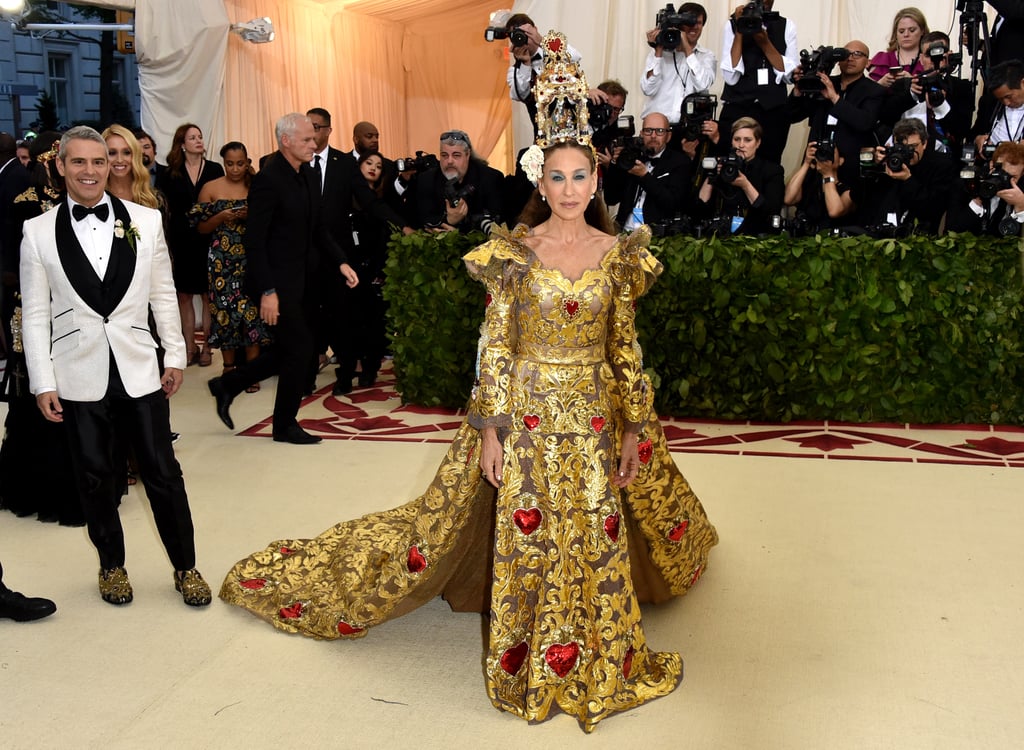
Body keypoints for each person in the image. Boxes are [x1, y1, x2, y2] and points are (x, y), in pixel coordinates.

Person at [219, 31, 717, 734]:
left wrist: (638, 426)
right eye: (558, 179)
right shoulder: (511, 255)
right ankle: (528, 650)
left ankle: (601, 645)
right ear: (540, 183)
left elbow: (625, 348)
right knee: (532, 532)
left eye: (581, 178)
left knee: (596, 531)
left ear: (595, 181)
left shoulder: (621, 256)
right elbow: (497, 350)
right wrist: (489, 430)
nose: (570, 191)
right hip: (529, 417)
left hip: (598, 420)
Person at [19, 126, 212, 607]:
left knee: (163, 473)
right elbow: (37, 313)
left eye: (99, 161)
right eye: (79, 162)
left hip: (139, 367)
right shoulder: (37, 231)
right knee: (94, 476)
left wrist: (174, 354)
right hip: (76, 371)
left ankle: (186, 567)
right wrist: (42, 381)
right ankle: (112, 566)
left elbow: (163, 293)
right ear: (60, 166)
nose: (90, 171)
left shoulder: (145, 221)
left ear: (112, 165)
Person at [207, 113, 359, 445]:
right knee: (301, 349)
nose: (314, 142)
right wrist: (268, 291)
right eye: (306, 138)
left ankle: (228, 385)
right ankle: (284, 424)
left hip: (304, 279)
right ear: (286, 141)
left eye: (314, 137)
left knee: (291, 349)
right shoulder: (268, 179)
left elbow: (318, 227)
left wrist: (341, 263)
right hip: (276, 283)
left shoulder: (304, 173)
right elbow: (254, 241)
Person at [0, 132, 85, 527]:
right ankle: (37, 487)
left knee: (75, 390)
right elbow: (11, 264)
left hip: (72, 311)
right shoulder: (24, 206)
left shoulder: (77, 204)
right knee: (36, 393)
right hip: (34, 311)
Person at [190, 142, 270, 389]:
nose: (235, 168)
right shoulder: (210, 188)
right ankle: (228, 369)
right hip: (221, 262)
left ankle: (251, 372)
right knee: (225, 315)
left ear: (248, 162)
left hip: (252, 258)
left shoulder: (257, 186)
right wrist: (220, 217)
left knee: (251, 314)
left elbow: (274, 221)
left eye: (240, 163)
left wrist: (251, 215)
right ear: (223, 163)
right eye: (229, 163)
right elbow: (200, 228)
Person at [156, 123, 224, 367]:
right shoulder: (169, 173)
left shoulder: (215, 169)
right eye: (192, 137)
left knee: (208, 295)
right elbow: (164, 209)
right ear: (182, 144)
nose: (198, 140)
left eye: (200, 136)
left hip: (209, 239)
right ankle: (189, 347)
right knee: (183, 296)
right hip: (181, 241)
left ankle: (207, 346)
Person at [717, 0, 798, 164]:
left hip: (773, 110)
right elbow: (731, 77)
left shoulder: (786, 25)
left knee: (771, 161)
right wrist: (740, 29)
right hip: (738, 104)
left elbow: (790, 76)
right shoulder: (732, 25)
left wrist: (764, 42)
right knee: (731, 160)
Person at [787, 40, 885, 170]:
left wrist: (834, 98)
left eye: (857, 54)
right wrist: (798, 90)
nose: (850, 58)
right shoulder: (823, 83)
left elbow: (865, 122)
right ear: (838, 60)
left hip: (852, 166)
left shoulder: (874, 90)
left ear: (868, 62)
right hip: (816, 161)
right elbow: (792, 116)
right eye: (845, 54)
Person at [878, 31, 975, 156]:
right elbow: (885, 117)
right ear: (921, 59)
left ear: (949, 56)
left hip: (945, 157)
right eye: (929, 55)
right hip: (907, 153)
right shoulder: (904, 85)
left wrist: (940, 105)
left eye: (941, 55)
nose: (935, 60)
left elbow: (962, 130)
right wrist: (912, 95)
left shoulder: (961, 87)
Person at [861, 117, 957, 235]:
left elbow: (933, 208)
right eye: (901, 147)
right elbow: (861, 198)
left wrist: (908, 179)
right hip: (881, 229)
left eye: (913, 147)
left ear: (925, 143)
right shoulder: (891, 160)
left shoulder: (942, 165)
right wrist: (875, 166)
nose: (908, 152)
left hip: (921, 233)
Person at [695, 117, 785, 235]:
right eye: (737, 139)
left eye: (747, 140)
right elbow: (699, 208)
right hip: (720, 235)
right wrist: (712, 175)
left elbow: (771, 210)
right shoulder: (722, 166)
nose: (741, 145)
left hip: (755, 237)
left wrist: (745, 185)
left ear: (758, 143)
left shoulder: (772, 170)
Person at [603, 112, 692, 231]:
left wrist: (644, 176)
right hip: (625, 231)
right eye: (648, 131)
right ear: (641, 134)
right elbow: (611, 198)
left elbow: (673, 203)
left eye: (660, 131)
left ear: (668, 136)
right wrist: (615, 163)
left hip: (658, 234)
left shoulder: (679, 162)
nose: (653, 136)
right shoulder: (632, 157)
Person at [405, 129, 504, 233]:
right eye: (444, 155)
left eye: (456, 155)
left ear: (467, 154)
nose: (450, 161)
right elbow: (420, 219)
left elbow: (497, 225)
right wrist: (448, 220)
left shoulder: (490, 178)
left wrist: (459, 233)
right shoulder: (426, 180)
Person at [640, 2, 717, 127]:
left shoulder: (707, 56)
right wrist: (658, 48)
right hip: (658, 130)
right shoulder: (659, 54)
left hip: (688, 129)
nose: (694, 27)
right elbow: (648, 89)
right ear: (680, 24)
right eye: (690, 23)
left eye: (698, 23)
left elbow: (702, 84)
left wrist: (687, 47)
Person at [947, 140, 1024, 235]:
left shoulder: (1021, 192)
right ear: (992, 165)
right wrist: (978, 201)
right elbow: (952, 230)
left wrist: (1020, 207)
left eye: (1013, 177)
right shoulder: (966, 185)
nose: (1006, 180)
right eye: (1002, 173)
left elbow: (1018, 242)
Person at [974, 59, 1024, 154]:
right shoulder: (989, 103)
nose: (1006, 103)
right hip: (992, 163)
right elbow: (973, 134)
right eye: (1001, 99)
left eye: (1008, 97)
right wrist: (978, 139)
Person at [868, 7, 927, 85]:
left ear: (922, 31)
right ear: (896, 33)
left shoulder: (929, 59)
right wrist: (880, 84)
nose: (906, 35)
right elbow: (866, 94)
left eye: (912, 30)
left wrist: (912, 82)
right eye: (901, 31)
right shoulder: (883, 59)